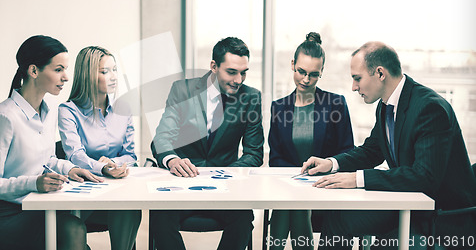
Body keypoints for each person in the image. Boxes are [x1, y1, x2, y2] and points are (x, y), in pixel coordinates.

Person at [301, 41, 476, 249]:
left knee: (382, 245)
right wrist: (332, 163)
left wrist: (357, 179)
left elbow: (424, 177)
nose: (354, 87)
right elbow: (372, 150)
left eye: (357, 78)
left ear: (380, 74)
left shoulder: (430, 108)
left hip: (440, 217)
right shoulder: (385, 106)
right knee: (338, 219)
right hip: (409, 204)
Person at [0, 35, 102, 250]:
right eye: (58, 69)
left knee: (76, 229)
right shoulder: (4, 118)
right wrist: (34, 182)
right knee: (72, 229)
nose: (66, 77)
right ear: (34, 71)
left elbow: (47, 159)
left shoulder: (49, 111)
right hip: (1, 218)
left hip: (35, 205)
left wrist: (70, 168)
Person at [150, 37, 264, 250]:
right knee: (160, 216)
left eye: (244, 72)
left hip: (226, 189)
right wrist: (173, 160)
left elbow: (254, 154)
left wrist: (224, 173)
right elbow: (162, 137)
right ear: (214, 66)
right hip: (181, 185)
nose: (239, 80)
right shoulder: (182, 90)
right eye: (231, 72)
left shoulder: (251, 97)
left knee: (243, 218)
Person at [268, 32, 354, 250]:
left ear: (321, 73)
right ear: (292, 65)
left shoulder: (336, 104)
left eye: (313, 74)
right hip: (291, 185)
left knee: (292, 205)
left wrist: (319, 174)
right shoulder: (279, 107)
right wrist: (297, 180)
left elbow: (347, 150)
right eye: (301, 72)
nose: (306, 80)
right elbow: (276, 157)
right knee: (293, 204)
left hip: (325, 185)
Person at [58, 46, 141, 250]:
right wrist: (101, 167)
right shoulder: (68, 111)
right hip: (83, 194)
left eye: (114, 70)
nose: (113, 77)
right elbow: (75, 155)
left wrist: (115, 163)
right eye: (105, 72)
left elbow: (130, 155)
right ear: (87, 76)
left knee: (130, 208)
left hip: (117, 191)